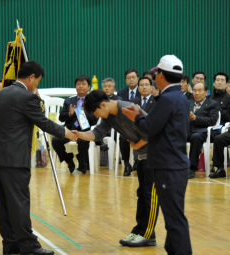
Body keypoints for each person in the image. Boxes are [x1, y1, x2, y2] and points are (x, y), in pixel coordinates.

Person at [0, 61, 76, 255]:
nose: (36, 85)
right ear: (31, 78)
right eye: (36, 81)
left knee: (4, 204)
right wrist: (66, 133)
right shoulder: (27, 97)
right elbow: (42, 121)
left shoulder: (2, 92)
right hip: (14, 158)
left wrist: (36, 99)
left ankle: (11, 244)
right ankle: (29, 246)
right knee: (19, 203)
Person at [122, 54, 192, 255]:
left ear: (161, 75)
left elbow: (150, 127)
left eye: (156, 73)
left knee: (175, 220)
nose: (155, 77)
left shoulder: (167, 99)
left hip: (168, 166)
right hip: (175, 164)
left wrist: (135, 117)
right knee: (174, 218)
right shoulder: (179, 97)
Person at [74, 90, 158, 247]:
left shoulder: (129, 108)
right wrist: (79, 134)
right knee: (142, 194)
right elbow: (96, 134)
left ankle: (149, 235)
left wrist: (136, 144)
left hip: (157, 155)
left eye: (97, 112)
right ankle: (139, 231)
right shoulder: (109, 116)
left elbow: (153, 131)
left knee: (150, 196)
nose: (98, 116)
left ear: (103, 105)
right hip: (143, 156)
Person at [52, 75, 97, 174]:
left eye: (83, 84)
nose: (81, 86)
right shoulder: (69, 101)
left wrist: (86, 113)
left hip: (85, 131)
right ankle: (68, 159)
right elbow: (61, 118)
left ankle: (82, 163)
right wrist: (69, 114)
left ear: (89, 87)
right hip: (70, 131)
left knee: (83, 141)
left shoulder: (93, 101)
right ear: (75, 86)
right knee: (55, 140)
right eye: (78, 84)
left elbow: (95, 120)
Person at [188, 82, 219, 178]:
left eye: (199, 91)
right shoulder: (189, 102)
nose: (196, 93)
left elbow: (212, 121)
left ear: (206, 92)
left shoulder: (212, 104)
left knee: (196, 137)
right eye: (195, 90)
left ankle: (192, 168)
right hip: (189, 130)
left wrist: (196, 118)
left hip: (204, 131)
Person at [117, 69, 141, 176]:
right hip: (126, 124)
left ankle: (138, 162)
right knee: (122, 137)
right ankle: (127, 164)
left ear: (138, 78)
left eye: (133, 77)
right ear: (126, 80)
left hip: (141, 124)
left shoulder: (143, 90)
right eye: (128, 78)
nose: (131, 80)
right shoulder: (121, 92)